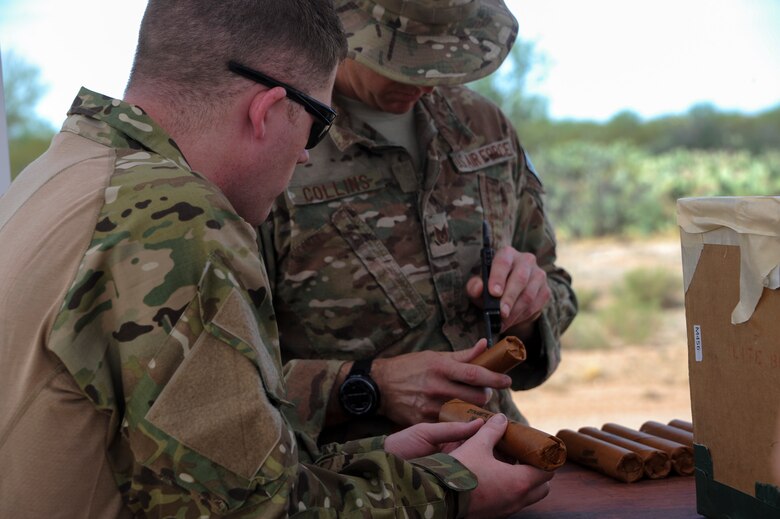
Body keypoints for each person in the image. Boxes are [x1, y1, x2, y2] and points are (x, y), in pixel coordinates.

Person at [0, 0, 554, 517]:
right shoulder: (175, 218)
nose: (308, 152)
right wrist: (448, 488)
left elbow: (204, 471)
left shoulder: (69, 169)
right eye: (317, 123)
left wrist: (380, 458)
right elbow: (255, 509)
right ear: (267, 109)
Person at [259, 0, 578, 445]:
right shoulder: (274, 139)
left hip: (500, 461)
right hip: (354, 489)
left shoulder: (483, 126)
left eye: (442, 56)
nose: (426, 80)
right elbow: (223, 379)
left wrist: (527, 309)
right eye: (407, 59)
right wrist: (368, 386)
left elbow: (554, 283)